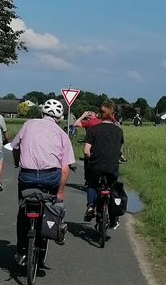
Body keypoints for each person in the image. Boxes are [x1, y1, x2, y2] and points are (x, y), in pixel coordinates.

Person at [10, 98, 75, 265]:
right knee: (52, 204)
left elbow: (15, 146)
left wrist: (17, 162)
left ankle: (21, 251)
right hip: (51, 177)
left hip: (27, 176)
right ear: (59, 118)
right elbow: (65, 169)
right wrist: (60, 192)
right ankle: (54, 230)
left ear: (41, 113)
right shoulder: (62, 134)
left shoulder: (28, 124)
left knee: (22, 210)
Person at [83, 101, 125, 229]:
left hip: (96, 166)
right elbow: (120, 150)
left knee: (92, 183)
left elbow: (86, 151)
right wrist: (119, 157)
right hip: (112, 167)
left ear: (100, 114)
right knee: (112, 187)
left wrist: (90, 159)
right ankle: (113, 216)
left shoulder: (93, 130)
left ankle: (91, 206)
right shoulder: (119, 131)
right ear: (112, 115)